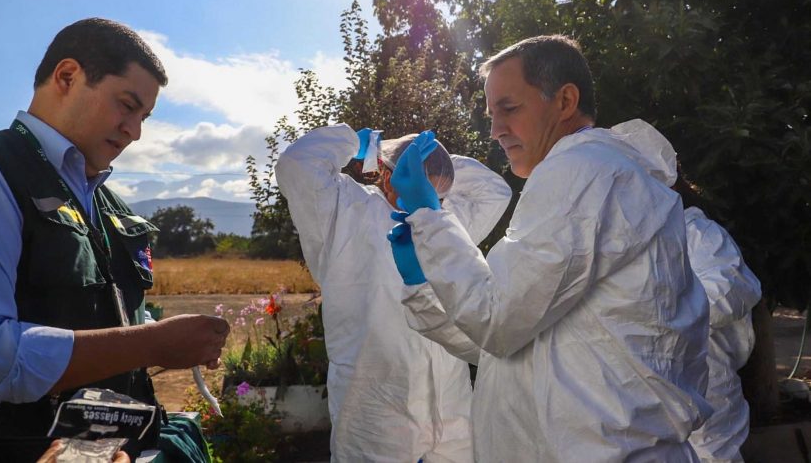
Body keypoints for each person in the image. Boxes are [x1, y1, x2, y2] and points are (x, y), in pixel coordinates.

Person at [387, 36, 712, 461]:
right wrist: (422, 288)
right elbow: (508, 350)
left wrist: (431, 217)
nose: (495, 130)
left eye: (509, 108)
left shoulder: (583, 169)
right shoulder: (593, 173)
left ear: (565, 101)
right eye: (491, 115)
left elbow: (497, 321)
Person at [0, 17, 227, 461]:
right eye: (127, 105)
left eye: (144, 117)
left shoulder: (108, 203)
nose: (135, 131)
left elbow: (102, 314)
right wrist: (152, 343)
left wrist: (175, 339)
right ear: (67, 76)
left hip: (119, 448)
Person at [275, 124, 511, 462]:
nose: (423, 189)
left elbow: (494, 190)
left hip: (449, 403)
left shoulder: (442, 218)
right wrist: (361, 145)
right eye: (411, 176)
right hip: (374, 405)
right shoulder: (345, 209)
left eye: (431, 183)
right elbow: (298, 163)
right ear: (386, 175)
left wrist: (434, 157)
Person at [674, 172, 761, 462]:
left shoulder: (696, 233)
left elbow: (728, 291)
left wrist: (662, 313)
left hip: (705, 380)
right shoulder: (628, 240)